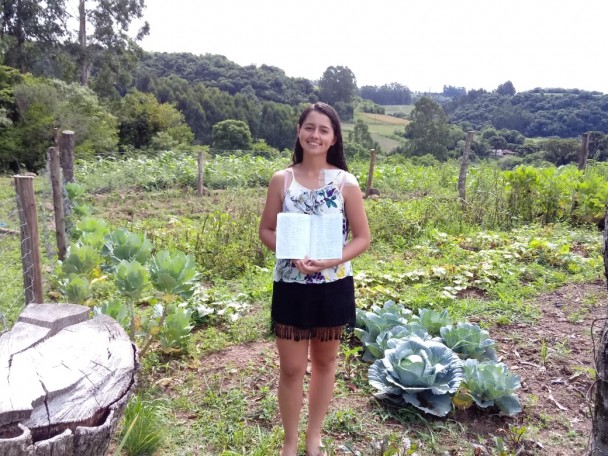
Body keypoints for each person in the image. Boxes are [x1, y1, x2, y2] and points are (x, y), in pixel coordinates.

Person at [259, 102, 371, 456]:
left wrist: (331, 258)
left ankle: (313, 438)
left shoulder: (345, 182)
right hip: (291, 286)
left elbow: (362, 238)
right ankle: (290, 443)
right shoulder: (282, 179)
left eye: (324, 130)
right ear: (299, 131)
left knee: (325, 364)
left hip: (333, 285)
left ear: (334, 137)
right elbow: (266, 230)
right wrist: (291, 253)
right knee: (291, 369)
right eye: (310, 127)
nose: (315, 135)